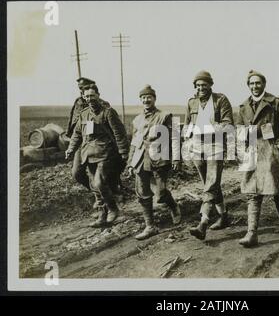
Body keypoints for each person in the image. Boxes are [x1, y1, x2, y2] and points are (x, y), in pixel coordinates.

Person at [235, 70, 279, 247]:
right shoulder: (243, 107)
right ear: (248, 86)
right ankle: (251, 233)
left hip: (270, 152)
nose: (255, 86)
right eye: (251, 84)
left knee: (277, 190)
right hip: (252, 153)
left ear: (264, 84)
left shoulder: (275, 103)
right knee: (252, 194)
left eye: (258, 83)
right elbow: (238, 129)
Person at [66, 84, 129, 227]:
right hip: (88, 154)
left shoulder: (108, 112)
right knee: (91, 183)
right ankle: (102, 214)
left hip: (106, 153)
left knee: (99, 182)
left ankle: (113, 208)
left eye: (92, 96)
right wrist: (71, 149)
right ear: (83, 97)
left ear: (98, 95)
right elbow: (78, 134)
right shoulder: (85, 114)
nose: (90, 99)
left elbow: (119, 133)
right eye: (87, 96)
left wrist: (124, 152)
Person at [127, 85, 182, 240]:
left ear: (154, 98)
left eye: (149, 97)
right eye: (143, 97)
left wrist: (176, 158)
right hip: (140, 159)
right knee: (143, 193)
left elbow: (175, 138)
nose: (146, 100)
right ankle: (150, 226)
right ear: (140, 100)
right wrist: (131, 162)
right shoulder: (137, 120)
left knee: (161, 193)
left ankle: (173, 207)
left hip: (159, 158)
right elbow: (134, 142)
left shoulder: (165, 116)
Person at [186, 70, 234, 240]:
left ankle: (204, 221)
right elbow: (188, 124)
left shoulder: (221, 100)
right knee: (210, 183)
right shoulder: (192, 102)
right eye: (198, 85)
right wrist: (188, 140)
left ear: (210, 85)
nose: (201, 88)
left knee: (211, 184)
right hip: (197, 147)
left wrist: (212, 126)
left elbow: (228, 124)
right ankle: (224, 216)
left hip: (215, 145)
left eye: (204, 85)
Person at [67, 77, 112, 193]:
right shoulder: (78, 102)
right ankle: (95, 191)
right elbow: (74, 121)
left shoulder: (103, 105)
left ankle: (106, 193)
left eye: (84, 88)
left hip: (98, 143)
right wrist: (71, 143)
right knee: (76, 173)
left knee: (101, 173)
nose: (82, 91)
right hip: (82, 143)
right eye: (80, 89)